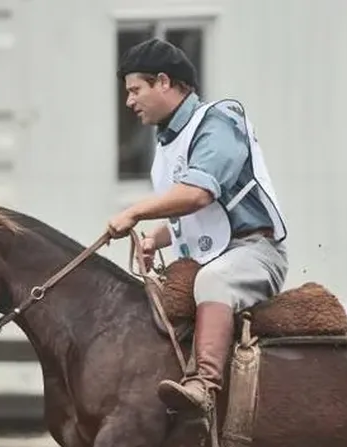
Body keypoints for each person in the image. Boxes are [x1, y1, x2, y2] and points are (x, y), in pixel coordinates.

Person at [108, 37, 290, 416]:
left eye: (134, 90)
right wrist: (155, 238)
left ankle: (204, 386)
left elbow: (199, 195)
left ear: (163, 81)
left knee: (213, 281)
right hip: (219, 255)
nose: (129, 102)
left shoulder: (219, 120)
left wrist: (135, 212)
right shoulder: (168, 144)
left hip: (255, 253)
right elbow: (190, 216)